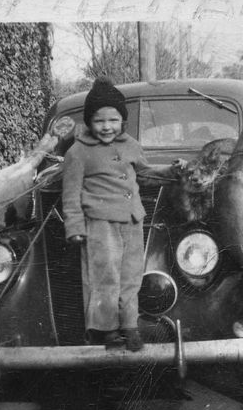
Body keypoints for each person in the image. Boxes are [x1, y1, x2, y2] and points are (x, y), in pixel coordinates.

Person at [62, 77, 184, 352]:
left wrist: (171, 172)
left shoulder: (131, 145)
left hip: (132, 219)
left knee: (131, 275)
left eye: (113, 120)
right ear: (89, 122)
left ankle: (129, 325)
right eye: (99, 121)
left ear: (122, 121)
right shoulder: (78, 152)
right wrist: (74, 227)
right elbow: (70, 194)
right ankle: (106, 331)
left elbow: (143, 173)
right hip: (100, 222)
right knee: (104, 277)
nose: (107, 127)